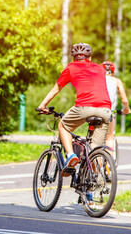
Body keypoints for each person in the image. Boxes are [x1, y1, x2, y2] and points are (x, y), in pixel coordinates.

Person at [38, 43, 112, 177]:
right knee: (95, 150)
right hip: (106, 110)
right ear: (89, 57)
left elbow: (56, 89)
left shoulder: (71, 67)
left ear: (73, 58)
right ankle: (96, 184)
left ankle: (71, 155)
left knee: (63, 126)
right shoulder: (99, 68)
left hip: (84, 107)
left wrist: (43, 105)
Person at [102, 61, 131, 151]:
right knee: (109, 138)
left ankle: (95, 163)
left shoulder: (97, 80)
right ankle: (108, 164)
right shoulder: (116, 81)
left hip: (94, 110)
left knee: (94, 140)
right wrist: (126, 109)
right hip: (108, 111)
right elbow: (124, 99)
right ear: (113, 72)